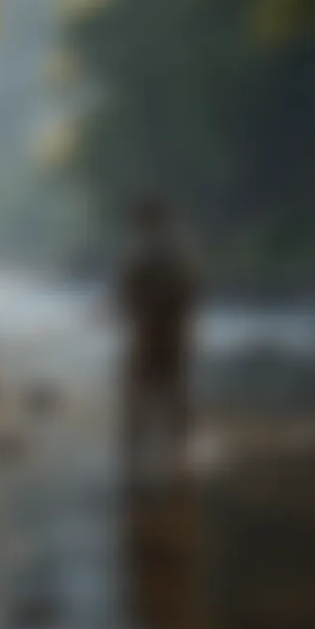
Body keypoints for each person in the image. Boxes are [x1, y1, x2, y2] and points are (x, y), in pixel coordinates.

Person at [116, 196, 201, 487]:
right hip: (173, 335)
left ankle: (134, 458)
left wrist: (135, 311)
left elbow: (126, 297)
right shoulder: (179, 255)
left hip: (149, 336)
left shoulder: (141, 257)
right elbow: (192, 294)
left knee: (139, 393)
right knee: (173, 392)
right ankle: (180, 453)